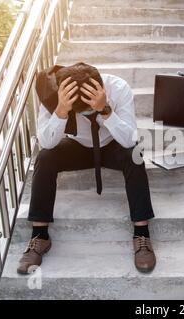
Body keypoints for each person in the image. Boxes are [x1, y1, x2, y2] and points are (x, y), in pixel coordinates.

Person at [17, 63, 156, 275]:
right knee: (45, 157)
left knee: (134, 156)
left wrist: (105, 111)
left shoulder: (118, 88)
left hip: (111, 143)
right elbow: (46, 142)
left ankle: (142, 233)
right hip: (78, 145)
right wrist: (61, 111)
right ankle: (40, 235)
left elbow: (129, 140)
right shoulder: (53, 92)